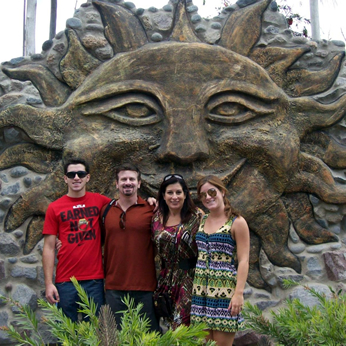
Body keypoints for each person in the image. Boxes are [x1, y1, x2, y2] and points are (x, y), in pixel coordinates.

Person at [42, 158, 111, 322]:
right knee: (66, 333)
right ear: (65, 178)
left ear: (88, 177)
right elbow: (49, 248)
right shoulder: (54, 207)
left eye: (80, 174)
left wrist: (149, 202)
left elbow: (125, 206)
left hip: (94, 280)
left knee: (95, 333)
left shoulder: (100, 201)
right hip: (65, 281)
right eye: (71, 174)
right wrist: (48, 284)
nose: (76, 178)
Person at [190, 175, 250, 346]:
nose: (208, 197)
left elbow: (244, 260)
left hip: (224, 292)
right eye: (203, 195)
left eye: (211, 191)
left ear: (222, 191)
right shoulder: (201, 219)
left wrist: (238, 294)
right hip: (201, 292)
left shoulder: (237, 222)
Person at [101, 163, 160, 332]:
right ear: (117, 183)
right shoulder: (106, 211)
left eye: (132, 179)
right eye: (124, 179)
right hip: (114, 286)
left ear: (139, 183)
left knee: (148, 339)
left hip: (145, 287)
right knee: (115, 338)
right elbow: (96, 240)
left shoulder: (152, 209)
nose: (128, 182)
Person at [152, 174, 204, 329]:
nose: (174, 197)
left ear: (185, 194)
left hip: (189, 278)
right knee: (165, 327)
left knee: (182, 327)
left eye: (178, 192)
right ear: (163, 195)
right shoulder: (156, 217)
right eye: (170, 192)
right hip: (165, 279)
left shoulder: (197, 216)